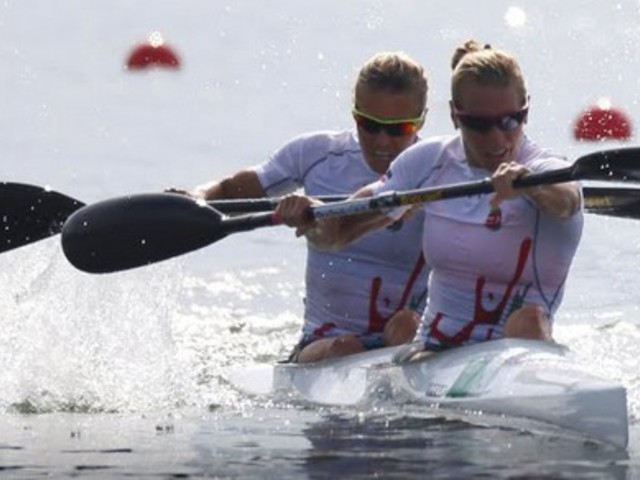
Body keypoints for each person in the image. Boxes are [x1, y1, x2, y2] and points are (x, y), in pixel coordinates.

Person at [276, 40, 584, 353]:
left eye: (509, 121)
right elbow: (337, 232)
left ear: (526, 111)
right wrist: (311, 214)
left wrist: (531, 185)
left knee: (528, 321)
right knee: (401, 328)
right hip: (431, 356)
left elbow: (569, 201)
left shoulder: (548, 169)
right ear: (454, 115)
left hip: (517, 354)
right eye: (478, 124)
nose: (496, 137)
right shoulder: (427, 162)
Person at [170, 52, 431, 362]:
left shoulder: (438, 170)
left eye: (398, 129)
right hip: (328, 341)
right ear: (355, 113)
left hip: (404, 335)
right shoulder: (317, 153)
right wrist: (193, 199)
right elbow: (230, 190)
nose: (382, 142)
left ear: (422, 119)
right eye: (369, 125)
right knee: (346, 348)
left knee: (406, 326)